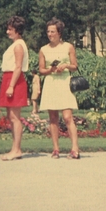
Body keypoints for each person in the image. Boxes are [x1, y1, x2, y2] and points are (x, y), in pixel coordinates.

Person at [39, 18, 80, 160]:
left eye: (53, 31)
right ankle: (56, 149)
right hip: (51, 82)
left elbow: (75, 66)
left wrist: (66, 66)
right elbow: (41, 70)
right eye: (48, 31)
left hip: (64, 82)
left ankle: (75, 148)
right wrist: (51, 69)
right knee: (53, 118)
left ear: (59, 32)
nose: (50, 34)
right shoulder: (43, 49)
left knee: (68, 117)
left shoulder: (68, 47)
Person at [0, 16, 29, 161]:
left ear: (17, 30)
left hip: (14, 80)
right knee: (11, 117)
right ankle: (15, 148)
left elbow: (17, 67)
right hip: (9, 79)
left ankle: (16, 150)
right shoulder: (16, 44)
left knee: (15, 118)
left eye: (10, 29)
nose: (7, 32)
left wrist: (11, 86)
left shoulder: (18, 46)